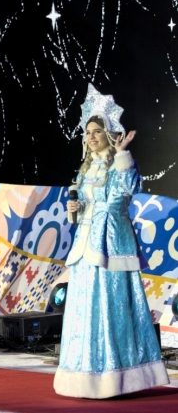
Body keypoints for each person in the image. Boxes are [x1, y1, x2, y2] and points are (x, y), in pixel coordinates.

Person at [53, 84, 169, 398]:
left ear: (108, 134)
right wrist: (74, 210)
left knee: (111, 305)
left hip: (111, 243)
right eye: (87, 132)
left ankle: (115, 377)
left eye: (97, 132)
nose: (91, 137)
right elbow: (85, 207)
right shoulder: (85, 169)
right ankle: (83, 374)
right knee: (84, 308)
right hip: (85, 245)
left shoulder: (119, 163)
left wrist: (123, 154)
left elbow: (127, 190)